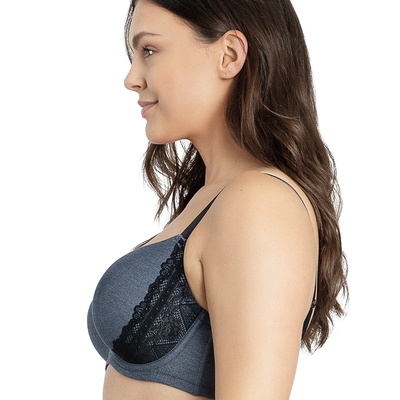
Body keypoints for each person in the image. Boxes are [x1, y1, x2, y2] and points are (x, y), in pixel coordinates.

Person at [87, 0, 349, 399]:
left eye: (150, 50)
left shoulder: (260, 205)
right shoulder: (214, 198)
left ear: (229, 55)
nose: (131, 78)